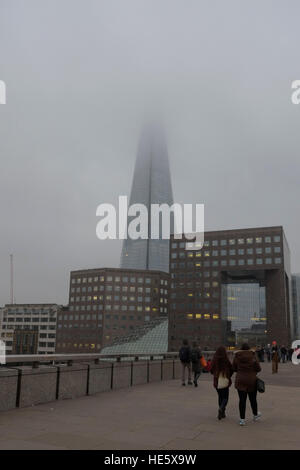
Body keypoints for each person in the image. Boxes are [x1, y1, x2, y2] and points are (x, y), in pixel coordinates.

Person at [232, 343, 262, 426]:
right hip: (251, 380)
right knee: (253, 399)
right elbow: (258, 368)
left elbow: (234, 368)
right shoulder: (253, 355)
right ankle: (255, 415)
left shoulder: (237, 356)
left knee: (242, 400)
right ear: (249, 349)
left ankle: (242, 420)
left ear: (241, 349)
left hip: (240, 379)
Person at [210, 346, 234, 420]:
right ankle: (221, 408)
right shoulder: (226, 359)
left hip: (217, 380)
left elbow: (211, 370)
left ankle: (222, 412)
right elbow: (231, 369)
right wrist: (228, 375)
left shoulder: (214, 359)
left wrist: (215, 374)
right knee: (225, 397)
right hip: (225, 379)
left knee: (220, 396)